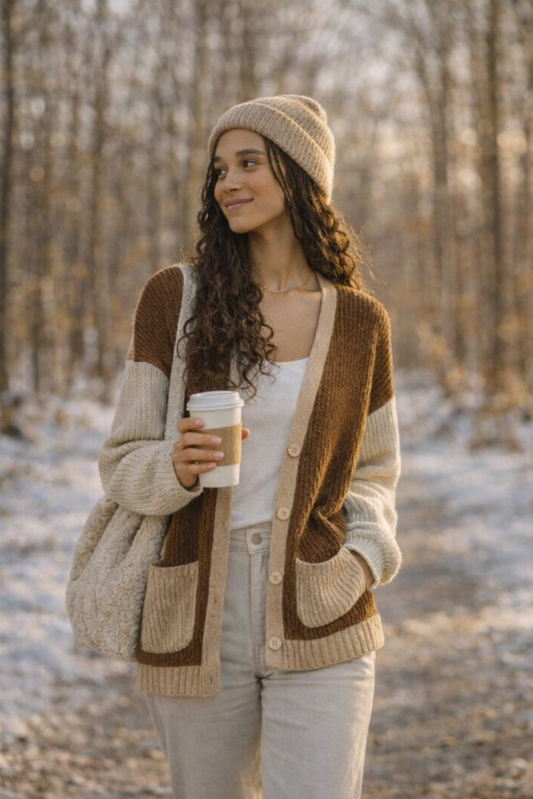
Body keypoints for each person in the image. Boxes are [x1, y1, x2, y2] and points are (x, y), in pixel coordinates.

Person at [98, 94, 403, 799]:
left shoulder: (359, 323)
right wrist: (172, 466)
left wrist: (358, 560)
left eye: (248, 163)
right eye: (218, 168)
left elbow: (376, 473)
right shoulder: (174, 299)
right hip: (196, 610)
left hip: (322, 604)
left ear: (299, 176)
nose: (226, 182)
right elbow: (121, 459)